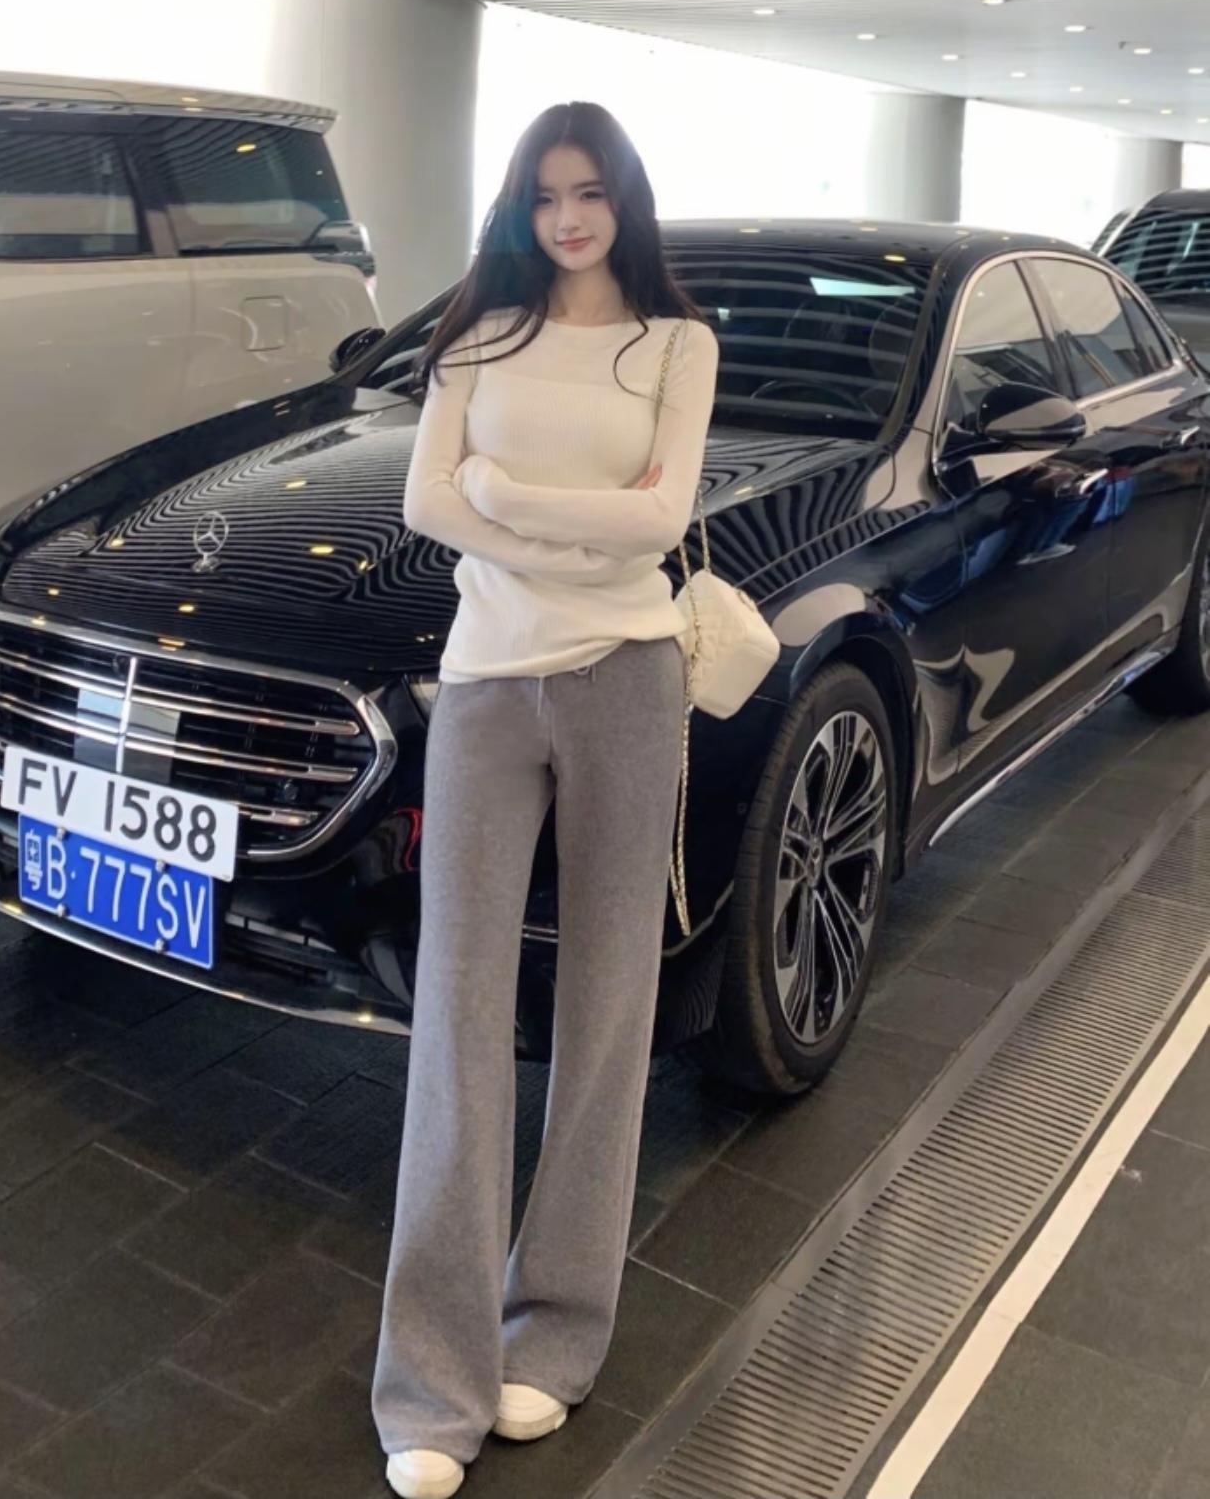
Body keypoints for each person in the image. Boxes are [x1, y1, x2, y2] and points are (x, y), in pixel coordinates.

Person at [372, 101, 720, 1499]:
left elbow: (662, 520)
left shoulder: (677, 345)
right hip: (485, 685)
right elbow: (426, 504)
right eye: (544, 195)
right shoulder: (480, 335)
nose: (568, 218)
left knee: (608, 1004)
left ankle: (557, 1335)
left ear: (626, 199)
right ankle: (429, 1384)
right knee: (457, 1009)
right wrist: (575, 526)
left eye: (591, 193)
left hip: (630, 681)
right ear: (520, 206)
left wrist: (504, 494)